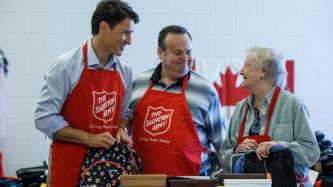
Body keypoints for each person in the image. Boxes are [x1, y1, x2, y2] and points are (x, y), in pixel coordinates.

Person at [34, 0, 139, 186]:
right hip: (70, 165)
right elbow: (43, 118)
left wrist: (122, 128)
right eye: (125, 33)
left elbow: (124, 113)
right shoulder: (65, 66)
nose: (129, 41)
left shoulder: (125, 71)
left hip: (109, 167)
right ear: (104, 27)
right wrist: (88, 138)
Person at [130, 25, 226, 176]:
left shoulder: (206, 91)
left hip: (191, 181)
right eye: (178, 53)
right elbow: (124, 130)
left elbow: (222, 144)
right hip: (142, 179)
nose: (185, 58)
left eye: (188, 52)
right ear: (160, 53)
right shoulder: (138, 84)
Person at [220, 47, 320, 186]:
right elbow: (223, 156)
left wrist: (279, 146)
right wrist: (236, 150)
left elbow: (311, 153)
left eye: (246, 65)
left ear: (263, 72)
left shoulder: (292, 104)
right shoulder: (240, 108)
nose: (241, 71)